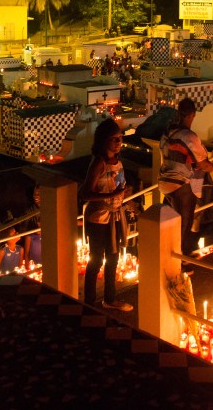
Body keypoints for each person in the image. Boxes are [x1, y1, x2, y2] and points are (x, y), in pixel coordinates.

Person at [78, 118, 132, 311]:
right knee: (96, 259)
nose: (118, 142)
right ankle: (89, 302)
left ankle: (110, 298)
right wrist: (111, 195)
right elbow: (85, 193)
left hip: (114, 216)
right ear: (104, 141)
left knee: (113, 257)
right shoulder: (99, 164)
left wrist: (123, 193)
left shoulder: (118, 162)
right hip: (98, 218)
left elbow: (117, 187)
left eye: (120, 138)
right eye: (114, 139)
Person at [159, 98, 213, 263]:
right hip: (181, 183)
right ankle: (179, 260)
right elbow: (202, 163)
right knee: (184, 224)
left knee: (172, 222)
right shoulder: (188, 136)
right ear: (192, 115)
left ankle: (172, 256)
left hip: (165, 181)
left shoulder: (167, 133)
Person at [22, 185, 43, 266]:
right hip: (33, 240)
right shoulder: (30, 210)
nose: (36, 196)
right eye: (34, 194)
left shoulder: (50, 208)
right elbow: (24, 228)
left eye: (39, 194)